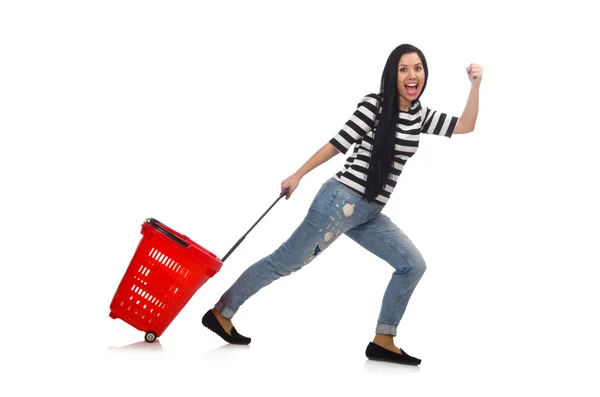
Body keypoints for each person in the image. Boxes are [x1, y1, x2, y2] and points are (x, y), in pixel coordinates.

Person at [202, 43, 483, 366]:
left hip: (369, 212)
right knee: (286, 261)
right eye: (403, 69)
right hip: (340, 201)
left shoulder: (419, 115)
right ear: (392, 75)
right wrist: (299, 174)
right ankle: (222, 312)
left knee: (412, 265)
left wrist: (475, 86)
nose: (411, 75)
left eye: (417, 68)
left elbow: (465, 126)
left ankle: (383, 340)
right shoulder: (375, 106)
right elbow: (338, 143)